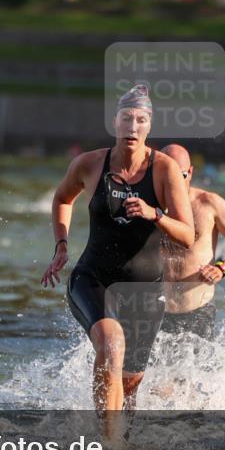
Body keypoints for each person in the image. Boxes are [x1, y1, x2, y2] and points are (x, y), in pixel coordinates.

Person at [40, 85, 194, 422]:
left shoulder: (165, 169)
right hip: (93, 278)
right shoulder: (89, 163)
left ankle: (120, 435)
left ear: (149, 126)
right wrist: (61, 245)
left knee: (129, 383)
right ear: (115, 122)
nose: (132, 127)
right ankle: (108, 446)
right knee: (111, 347)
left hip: (145, 290)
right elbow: (62, 198)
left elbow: (187, 235)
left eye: (140, 120)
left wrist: (155, 214)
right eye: (126, 118)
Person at [159, 144, 225, 340]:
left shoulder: (209, 203)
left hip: (198, 312)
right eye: (169, 175)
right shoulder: (146, 207)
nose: (175, 182)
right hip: (155, 313)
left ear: (190, 172)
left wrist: (221, 269)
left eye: (181, 175)